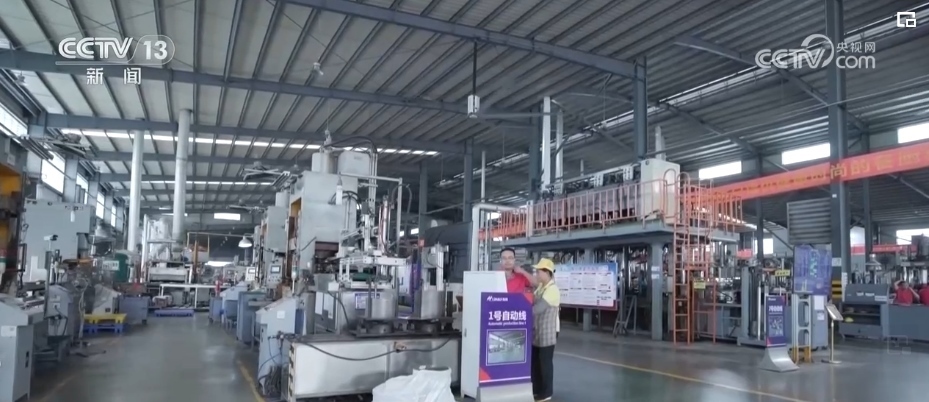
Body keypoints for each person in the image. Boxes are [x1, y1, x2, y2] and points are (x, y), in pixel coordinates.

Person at [530, 258, 559, 402]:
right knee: (536, 362)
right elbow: (531, 300)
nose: (536, 274)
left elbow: (538, 309)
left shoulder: (552, 290)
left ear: (547, 273)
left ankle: (546, 393)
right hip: (538, 331)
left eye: (539, 271)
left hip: (548, 332)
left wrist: (521, 312)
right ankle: (537, 389)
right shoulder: (541, 287)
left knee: (545, 363)